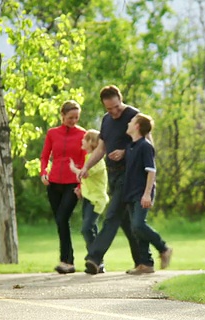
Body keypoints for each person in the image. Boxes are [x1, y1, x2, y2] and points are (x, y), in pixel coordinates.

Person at [79, 85, 151, 274]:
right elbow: (101, 149)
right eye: (109, 108)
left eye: (117, 107)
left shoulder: (135, 116)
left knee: (111, 217)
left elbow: (148, 146)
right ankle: (144, 262)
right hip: (113, 175)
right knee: (127, 222)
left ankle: (94, 257)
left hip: (130, 176)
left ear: (121, 99)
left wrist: (126, 152)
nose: (114, 112)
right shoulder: (106, 120)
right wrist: (86, 166)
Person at [115, 113, 173, 275]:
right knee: (135, 228)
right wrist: (122, 153)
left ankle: (164, 248)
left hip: (142, 193)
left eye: (132, 121)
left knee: (138, 225)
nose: (128, 122)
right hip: (131, 193)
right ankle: (146, 263)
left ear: (137, 126)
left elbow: (151, 171)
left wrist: (147, 194)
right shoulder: (131, 146)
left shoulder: (145, 146)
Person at [40, 100, 87, 274]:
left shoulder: (83, 134)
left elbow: (84, 162)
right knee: (61, 222)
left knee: (62, 218)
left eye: (76, 117)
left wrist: (81, 185)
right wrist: (43, 172)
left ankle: (65, 260)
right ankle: (69, 262)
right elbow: (45, 156)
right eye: (70, 117)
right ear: (62, 116)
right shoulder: (52, 133)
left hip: (73, 184)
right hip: (53, 184)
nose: (74, 121)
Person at [69, 129, 109, 273]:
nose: (82, 141)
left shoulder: (97, 160)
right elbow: (88, 180)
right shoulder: (88, 157)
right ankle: (97, 263)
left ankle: (94, 257)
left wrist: (73, 168)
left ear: (91, 142)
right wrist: (81, 190)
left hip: (96, 201)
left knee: (86, 229)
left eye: (85, 139)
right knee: (92, 229)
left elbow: (84, 174)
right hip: (88, 198)